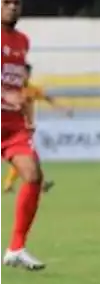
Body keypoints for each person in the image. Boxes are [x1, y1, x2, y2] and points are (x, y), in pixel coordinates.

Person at [0, 0, 48, 271]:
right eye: (6, 3)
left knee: (33, 174)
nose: (12, 7)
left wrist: (25, 113)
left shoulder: (22, 42)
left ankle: (16, 248)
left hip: (12, 126)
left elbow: (18, 86)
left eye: (16, 3)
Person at [3, 64, 66, 194]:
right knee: (25, 156)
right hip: (12, 129)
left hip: (25, 128)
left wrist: (63, 109)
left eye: (28, 74)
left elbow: (48, 98)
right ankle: (38, 183)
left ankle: (38, 182)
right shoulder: (10, 89)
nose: (26, 76)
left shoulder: (32, 89)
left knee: (27, 156)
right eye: (24, 73)